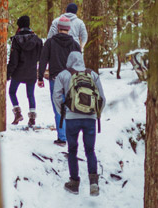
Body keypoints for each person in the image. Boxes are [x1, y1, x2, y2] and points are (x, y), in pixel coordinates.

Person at [52, 51, 106, 196]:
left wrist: (63, 112)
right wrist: (96, 113)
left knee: (72, 150)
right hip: (90, 118)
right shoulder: (92, 74)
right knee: (90, 150)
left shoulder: (63, 75)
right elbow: (102, 97)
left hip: (71, 119)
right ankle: (94, 183)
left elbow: (56, 96)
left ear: (69, 60)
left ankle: (74, 183)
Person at [39, 16, 81, 145]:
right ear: (69, 28)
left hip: (55, 79)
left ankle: (62, 138)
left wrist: (40, 77)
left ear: (58, 27)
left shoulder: (50, 42)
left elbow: (43, 60)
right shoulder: (75, 44)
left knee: (58, 109)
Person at [6, 15, 43, 126]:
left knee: (12, 92)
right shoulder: (37, 40)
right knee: (30, 94)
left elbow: (14, 60)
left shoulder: (16, 40)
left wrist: (8, 74)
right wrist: (39, 75)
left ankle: (18, 113)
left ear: (19, 25)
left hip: (18, 72)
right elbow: (40, 58)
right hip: (31, 71)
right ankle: (32, 118)